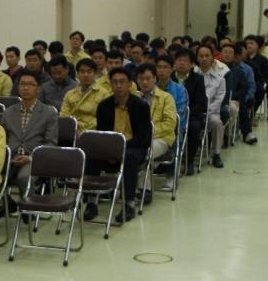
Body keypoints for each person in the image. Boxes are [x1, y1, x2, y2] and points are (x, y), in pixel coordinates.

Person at [93, 66, 152, 223]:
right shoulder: (104, 106)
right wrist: (111, 150)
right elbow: (102, 134)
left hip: (134, 148)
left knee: (129, 158)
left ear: (130, 84)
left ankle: (129, 204)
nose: (118, 85)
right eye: (115, 82)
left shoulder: (141, 106)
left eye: (122, 82)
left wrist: (120, 149)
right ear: (110, 84)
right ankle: (92, 201)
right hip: (110, 147)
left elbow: (144, 139)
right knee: (91, 155)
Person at [2, 72, 58, 199]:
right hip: (11, 157)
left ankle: (28, 210)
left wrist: (31, 158)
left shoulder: (49, 113)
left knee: (24, 177)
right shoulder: (8, 112)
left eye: (30, 84)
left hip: (34, 158)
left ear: (38, 88)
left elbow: (51, 143)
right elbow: (2, 139)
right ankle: (5, 204)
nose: (26, 88)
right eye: (22, 84)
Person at [136, 63, 179, 202]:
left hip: (161, 138)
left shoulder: (166, 98)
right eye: (141, 79)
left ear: (155, 78)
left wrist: (149, 133)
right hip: (137, 138)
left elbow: (169, 124)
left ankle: (145, 189)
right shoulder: (133, 98)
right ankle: (129, 186)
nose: (145, 82)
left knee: (145, 151)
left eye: (148, 78)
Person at [171, 48, 208, 174]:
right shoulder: (169, 77)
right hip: (170, 114)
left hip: (190, 114)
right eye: (179, 60)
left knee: (194, 127)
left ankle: (189, 160)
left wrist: (185, 113)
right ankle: (169, 162)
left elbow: (201, 103)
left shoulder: (197, 79)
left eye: (185, 61)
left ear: (192, 64)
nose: (181, 63)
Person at [196, 42, 229, 168]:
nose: (204, 59)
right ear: (197, 57)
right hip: (193, 112)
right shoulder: (192, 75)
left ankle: (216, 154)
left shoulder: (220, 79)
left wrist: (205, 111)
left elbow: (217, 102)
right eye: (201, 56)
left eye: (207, 56)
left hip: (210, 113)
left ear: (212, 58)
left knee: (217, 122)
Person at [220, 42, 256, 145]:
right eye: (225, 52)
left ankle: (244, 133)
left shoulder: (239, 72)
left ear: (234, 55)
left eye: (230, 53)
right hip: (216, 99)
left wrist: (233, 96)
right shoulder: (214, 69)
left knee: (238, 105)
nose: (227, 54)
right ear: (220, 54)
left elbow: (244, 88)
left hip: (232, 99)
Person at [61, 58, 108, 133]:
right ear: (77, 74)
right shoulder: (69, 94)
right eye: (82, 72)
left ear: (95, 73)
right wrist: (75, 130)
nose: (85, 75)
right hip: (72, 133)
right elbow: (64, 116)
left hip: (94, 133)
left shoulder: (104, 94)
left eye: (89, 71)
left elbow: (104, 119)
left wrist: (84, 130)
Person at [242, 34, 268, 122]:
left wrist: (258, 82)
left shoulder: (263, 59)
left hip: (260, 82)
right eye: (247, 43)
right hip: (245, 83)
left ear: (257, 46)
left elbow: (266, 75)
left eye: (251, 43)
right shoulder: (242, 59)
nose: (249, 45)